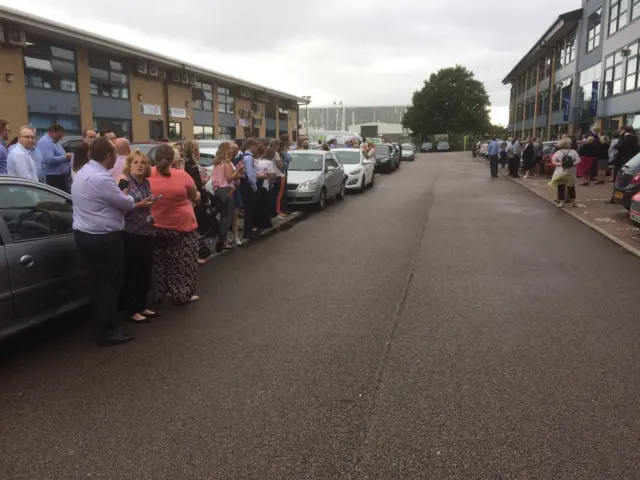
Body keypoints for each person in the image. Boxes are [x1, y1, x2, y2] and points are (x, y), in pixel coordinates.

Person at [71, 137, 136, 347]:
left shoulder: (83, 172)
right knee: (111, 283)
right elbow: (126, 204)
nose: (116, 158)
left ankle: (100, 325)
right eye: (115, 154)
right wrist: (127, 196)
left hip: (84, 234)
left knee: (99, 282)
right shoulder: (102, 178)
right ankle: (107, 332)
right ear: (108, 156)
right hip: (103, 237)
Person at [148, 144, 200, 305]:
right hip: (182, 225)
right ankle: (181, 294)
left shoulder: (147, 174)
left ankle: (158, 294)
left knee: (159, 262)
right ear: (173, 159)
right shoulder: (182, 175)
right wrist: (196, 196)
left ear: (154, 158)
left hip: (156, 224)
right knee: (182, 261)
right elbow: (194, 195)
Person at [116, 150, 158, 323]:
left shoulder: (146, 182)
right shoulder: (124, 183)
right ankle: (132, 309)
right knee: (132, 271)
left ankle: (142, 305)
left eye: (143, 162)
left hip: (146, 230)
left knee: (145, 270)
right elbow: (119, 208)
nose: (140, 165)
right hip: (130, 232)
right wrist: (141, 204)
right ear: (130, 165)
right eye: (136, 162)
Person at [211, 142, 236, 250]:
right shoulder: (226, 163)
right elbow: (229, 178)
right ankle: (223, 241)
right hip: (226, 189)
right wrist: (239, 171)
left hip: (217, 189)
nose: (232, 150)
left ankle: (222, 238)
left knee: (222, 216)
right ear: (226, 150)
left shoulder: (217, 163)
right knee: (226, 217)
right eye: (230, 148)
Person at [607, 125, 639, 203]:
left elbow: (619, 147)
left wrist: (616, 145)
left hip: (621, 162)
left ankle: (614, 198)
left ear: (624, 130)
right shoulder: (635, 138)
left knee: (617, 180)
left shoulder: (624, 138)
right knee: (629, 182)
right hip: (631, 162)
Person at [37, 124, 73, 192]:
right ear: (53, 133)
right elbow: (49, 160)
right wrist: (66, 157)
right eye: (59, 136)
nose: (61, 138)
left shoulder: (54, 142)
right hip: (53, 178)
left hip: (60, 178)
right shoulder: (45, 142)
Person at [549, 137, 581, 208]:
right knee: (571, 186)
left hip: (560, 171)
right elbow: (578, 160)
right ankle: (573, 202)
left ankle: (561, 202)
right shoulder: (573, 152)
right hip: (571, 171)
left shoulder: (558, 152)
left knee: (561, 186)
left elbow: (553, 160)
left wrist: (560, 164)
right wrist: (572, 164)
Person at [240, 138, 260, 240]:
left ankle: (249, 229)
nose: (257, 149)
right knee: (249, 209)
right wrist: (254, 185)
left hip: (247, 184)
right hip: (248, 185)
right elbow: (250, 173)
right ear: (251, 146)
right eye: (256, 146)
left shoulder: (246, 157)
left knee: (249, 209)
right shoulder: (248, 158)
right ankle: (248, 231)